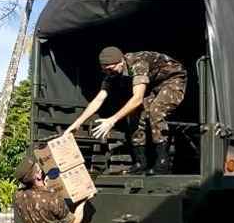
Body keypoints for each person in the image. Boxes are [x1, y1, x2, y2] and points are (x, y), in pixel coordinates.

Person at [66, 46, 187, 175]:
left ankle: (163, 163)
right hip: (153, 83)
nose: (109, 73)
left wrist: (112, 120)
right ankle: (140, 163)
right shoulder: (111, 73)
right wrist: (76, 124)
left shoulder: (138, 63)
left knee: (155, 111)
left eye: (111, 69)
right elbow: (99, 99)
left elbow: (137, 98)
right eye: (105, 70)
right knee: (133, 114)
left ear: (121, 62)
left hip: (172, 79)